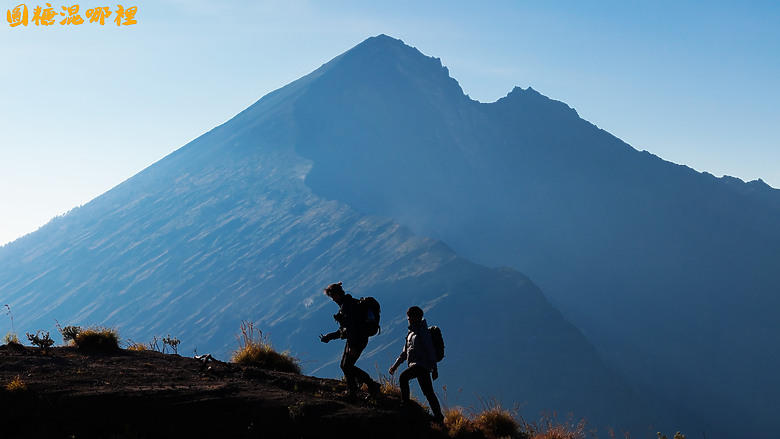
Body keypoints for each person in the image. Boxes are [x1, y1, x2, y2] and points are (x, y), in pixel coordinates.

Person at [319, 282, 381, 401]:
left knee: (346, 366)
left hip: (357, 340)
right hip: (359, 339)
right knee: (345, 365)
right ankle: (360, 389)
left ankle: (364, 389)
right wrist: (330, 336)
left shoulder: (347, 306)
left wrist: (352, 346)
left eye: (332, 296)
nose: (332, 300)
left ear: (337, 294)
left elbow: (352, 328)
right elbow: (349, 328)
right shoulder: (349, 304)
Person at [389, 306, 444, 424]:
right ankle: (439, 418)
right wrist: (395, 365)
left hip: (421, 365)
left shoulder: (422, 332)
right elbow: (405, 352)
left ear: (417, 317)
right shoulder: (411, 333)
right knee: (428, 392)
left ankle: (406, 405)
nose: (408, 319)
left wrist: (434, 368)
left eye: (410, 317)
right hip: (418, 366)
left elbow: (430, 349)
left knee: (403, 378)